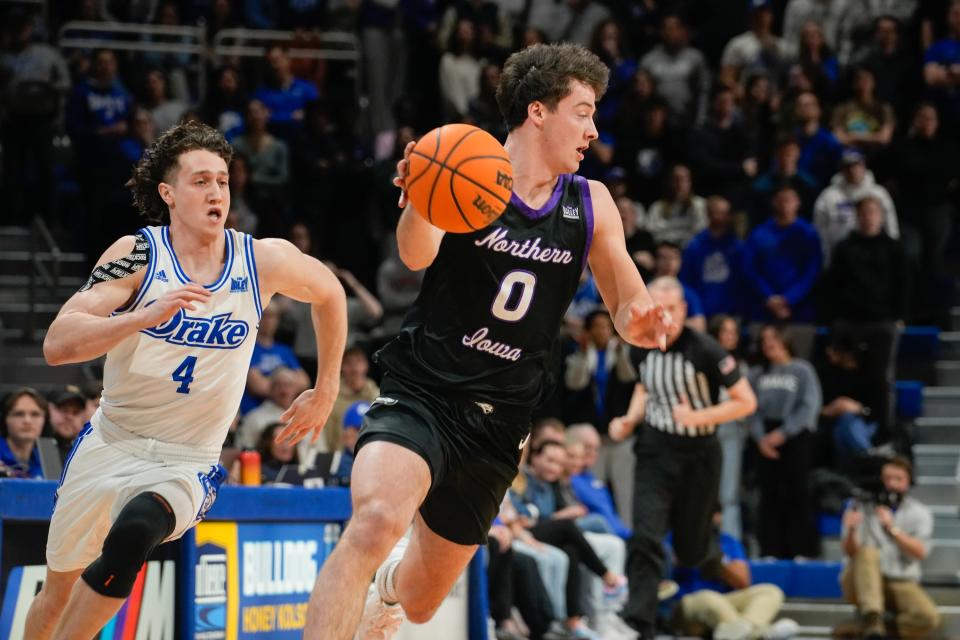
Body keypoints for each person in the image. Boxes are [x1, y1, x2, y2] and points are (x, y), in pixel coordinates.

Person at [302, 43, 672, 640]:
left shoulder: (590, 202)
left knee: (422, 601)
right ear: (537, 112)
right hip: (424, 390)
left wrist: (644, 323)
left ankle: (390, 589)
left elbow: (625, 303)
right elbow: (414, 252)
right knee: (373, 524)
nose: (593, 129)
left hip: (501, 421)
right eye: (583, 111)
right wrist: (422, 195)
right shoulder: (464, 165)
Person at [25, 120, 347, 640]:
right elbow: (58, 344)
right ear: (168, 193)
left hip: (188, 460)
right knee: (57, 591)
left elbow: (330, 293)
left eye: (222, 180)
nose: (216, 191)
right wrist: (139, 317)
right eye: (201, 181)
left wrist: (326, 385)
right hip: (112, 443)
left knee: (133, 535)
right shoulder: (138, 255)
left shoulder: (261, 259)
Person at [609, 277, 757, 637]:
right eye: (657, 308)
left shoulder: (706, 350)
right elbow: (645, 385)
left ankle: (709, 552)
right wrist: (630, 418)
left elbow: (746, 401)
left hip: (700, 454)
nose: (663, 316)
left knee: (690, 551)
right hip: (655, 450)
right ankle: (638, 622)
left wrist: (698, 417)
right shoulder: (638, 345)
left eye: (671, 309)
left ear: (684, 311)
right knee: (645, 535)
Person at [837, 456, 941, 639]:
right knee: (867, 551)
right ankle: (871, 617)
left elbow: (920, 552)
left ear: (909, 481)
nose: (892, 484)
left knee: (928, 617)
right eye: (887, 478)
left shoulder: (920, 512)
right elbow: (850, 553)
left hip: (899, 580)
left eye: (898, 479)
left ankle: (867, 631)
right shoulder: (858, 506)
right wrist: (852, 530)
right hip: (859, 581)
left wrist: (893, 529)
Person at [748, 325, 822, 559]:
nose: (769, 342)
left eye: (774, 337)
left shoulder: (802, 370)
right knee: (769, 495)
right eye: (765, 339)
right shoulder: (757, 374)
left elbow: (810, 404)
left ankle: (802, 550)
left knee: (797, 492)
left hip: (796, 434)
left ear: (786, 340)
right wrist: (761, 438)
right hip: (765, 437)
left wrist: (785, 432)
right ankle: (770, 550)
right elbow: (751, 408)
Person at [668, 508, 797, 640]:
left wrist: (719, 563)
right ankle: (758, 634)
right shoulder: (674, 538)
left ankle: (747, 629)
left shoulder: (727, 541)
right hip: (688, 604)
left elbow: (743, 582)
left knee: (770, 591)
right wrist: (688, 556)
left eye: (714, 514)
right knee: (709, 598)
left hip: (725, 602)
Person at [812, 149, 898, 267]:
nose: (853, 170)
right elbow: (819, 232)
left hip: (876, 257)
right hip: (840, 259)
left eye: (857, 165)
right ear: (841, 169)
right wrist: (825, 262)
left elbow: (891, 227)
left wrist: (894, 256)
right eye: (848, 166)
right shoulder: (828, 196)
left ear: (864, 166)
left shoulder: (879, 193)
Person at [680, 196, 744, 319]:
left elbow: (742, 280)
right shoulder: (695, 245)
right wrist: (696, 309)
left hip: (731, 312)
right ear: (708, 213)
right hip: (703, 311)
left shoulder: (737, 246)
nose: (721, 217)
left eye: (725, 213)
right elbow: (686, 280)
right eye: (717, 212)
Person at [236, 367, 307, 449]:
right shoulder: (254, 417)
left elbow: (320, 451)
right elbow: (243, 449)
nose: (284, 391)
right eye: (278, 385)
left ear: (296, 389)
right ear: (270, 389)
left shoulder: (306, 415)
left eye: (288, 385)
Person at [1, 388, 48, 479]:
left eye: (35, 414)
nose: (27, 421)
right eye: (19, 414)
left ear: (45, 421)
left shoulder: (48, 460)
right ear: (5, 419)